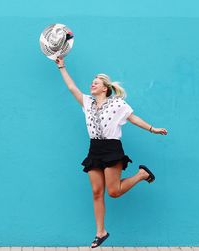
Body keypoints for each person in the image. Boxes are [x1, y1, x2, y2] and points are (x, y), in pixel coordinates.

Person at [55, 56, 168, 248]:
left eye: (96, 83)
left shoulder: (117, 104)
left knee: (114, 192)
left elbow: (133, 118)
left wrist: (152, 128)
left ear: (105, 88)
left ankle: (142, 174)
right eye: (92, 83)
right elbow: (72, 88)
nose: (92, 85)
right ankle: (101, 232)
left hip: (112, 148)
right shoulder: (87, 103)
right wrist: (62, 67)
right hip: (94, 148)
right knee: (96, 191)